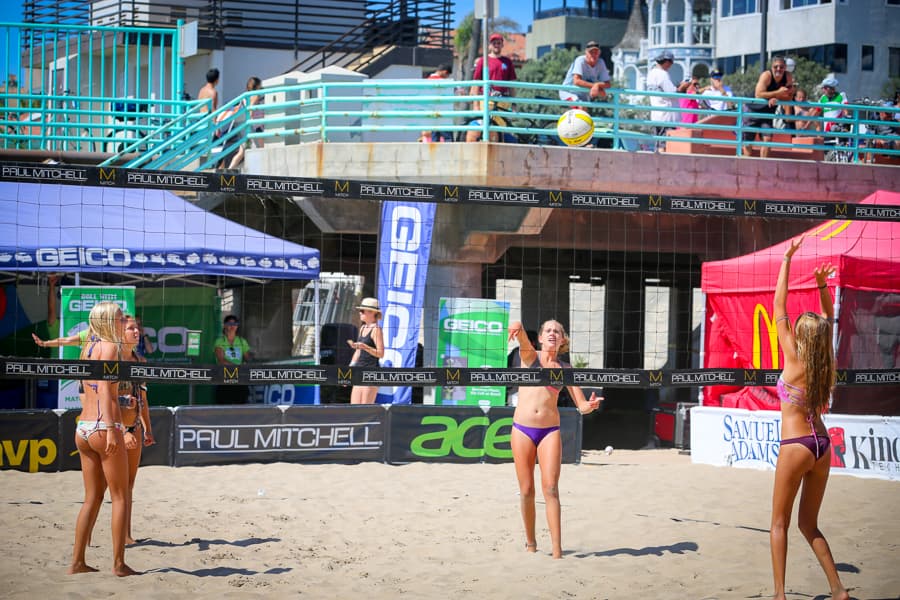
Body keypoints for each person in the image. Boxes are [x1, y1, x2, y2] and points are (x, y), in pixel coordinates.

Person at [770, 235, 848, 600]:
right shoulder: (823, 361)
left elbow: (778, 306)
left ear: (800, 336)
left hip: (796, 444)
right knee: (809, 524)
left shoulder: (793, 356)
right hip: (821, 447)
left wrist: (787, 259)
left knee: (779, 524)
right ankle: (837, 589)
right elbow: (829, 320)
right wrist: (822, 285)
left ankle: (780, 595)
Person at [507, 319, 602, 559]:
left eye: (557, 331)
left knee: (550, 488)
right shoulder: (531, 358)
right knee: (527, 490)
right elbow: (523, 343)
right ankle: (530, 543)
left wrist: (588, 406)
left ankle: (557, 551)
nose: (552, 333)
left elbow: (580, 404)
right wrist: (517, 326)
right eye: (548, 330)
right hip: (522, 430)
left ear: (562, 340)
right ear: (540, 338)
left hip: (549, 430)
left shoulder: (565, 369)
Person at [69, 302, 136, 577]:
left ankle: (76, 562)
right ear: (108, 321)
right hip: (102, 426)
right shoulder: (111, 347)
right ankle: (119, 564)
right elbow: (106, 396)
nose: (123, 322)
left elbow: (91, 390)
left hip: (83, 428)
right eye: (120, 318)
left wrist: (119, 402)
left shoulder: (88, 347)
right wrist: (112, 429)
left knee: (91, 499)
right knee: (120, 498)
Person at [120, 316, 155, 545]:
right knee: (102, 489)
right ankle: (88, 536)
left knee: (129, 485)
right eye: (131, 328)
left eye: (138, 328)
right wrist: (121, 429)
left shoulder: (139, 360)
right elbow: (101, 399)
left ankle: (126, 535)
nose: (136, 331)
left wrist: (147, 429)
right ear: (119, 332)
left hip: (133, 427)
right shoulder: (110, 359)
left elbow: (142, 398)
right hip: (113, 429)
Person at [466, 33, 517, 143]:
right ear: (490, 45)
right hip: (486, 101)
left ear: (502, 45)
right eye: (494, 43)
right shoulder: (483, 61)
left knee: (500, 130)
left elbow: (512, 85)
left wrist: (514, 105)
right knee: (482, 127)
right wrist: (475, 105)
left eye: (499, 43)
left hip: (503, 102)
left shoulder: (507, 62)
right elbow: (476, 83)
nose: (496, 45)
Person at [740, 56, 793, 157]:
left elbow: (789, 95)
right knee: (748, 141)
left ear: (785, 67)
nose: (778, 69)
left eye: (781, 67)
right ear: (771, 67)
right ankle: (746, 164)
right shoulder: (766, 75)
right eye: (775, 67)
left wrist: (777, 98)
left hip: (767, 112)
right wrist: (777, 93)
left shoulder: (788, 76)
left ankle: (763, 165)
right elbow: (758, 94)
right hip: (752, 110)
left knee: (767, 139)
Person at [346, 297, 384, 404]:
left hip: (371, 373)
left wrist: (365, 347)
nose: (360, 313)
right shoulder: (363, 328)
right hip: (359, 371)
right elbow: (358, 352)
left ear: (372, 313)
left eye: (362, 311)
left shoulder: (376, 330)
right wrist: (350, 369)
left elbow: (381, 353)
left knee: (365, 410)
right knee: (354, 408)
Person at [213, 315, 253, 404]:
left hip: (239, 380)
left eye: (235, 324)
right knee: (223, 407)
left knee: (241, 406)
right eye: (229, 323)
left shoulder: (242, 341)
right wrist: (237, 367)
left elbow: (248, 358)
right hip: (224, 379)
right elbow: (221, 360)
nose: (232, 326)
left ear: (237, 326)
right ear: (224, 325)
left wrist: (250, 356)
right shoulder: (219, 341)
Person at [559, 41, 610, 106]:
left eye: (596, 52)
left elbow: (608, 84)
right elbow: (576, 81)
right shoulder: (580, 60)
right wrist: (594, 86)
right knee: (580, 107)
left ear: (599, 53)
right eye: (591, 52)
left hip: (583, 95)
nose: (594, 55)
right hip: (568, 92)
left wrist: (597, 85)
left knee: (584, 112)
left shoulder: (601, 62)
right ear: (586, 53)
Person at [645, 50, 678, 150]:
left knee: (657, 143)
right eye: (671, 62)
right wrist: (682, 87)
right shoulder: (663, 74)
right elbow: (672, 93)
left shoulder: (651, 74)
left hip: (655, 115)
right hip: (666, 116)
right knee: (664, 145)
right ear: (667, 61)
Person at [420, 64, 453, 143]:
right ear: (445, 72)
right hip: (442, 112)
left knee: (435, 137)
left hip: (431, 112)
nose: (447, 77)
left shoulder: (428, 80)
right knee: (448, 137)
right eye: (447, 75)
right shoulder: (442, 81)